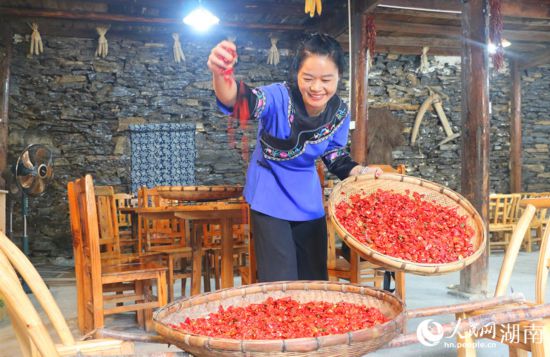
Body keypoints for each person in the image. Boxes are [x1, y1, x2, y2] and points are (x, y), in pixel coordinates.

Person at [207, 33, 380, 282]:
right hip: (269, 195)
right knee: (281, 281)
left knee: (314, 279)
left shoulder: (339, 112)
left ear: (339, 77)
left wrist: (361, 173)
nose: (316, 87)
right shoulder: (279, 97)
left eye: (326, 80)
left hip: (307, 199)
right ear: (296, 73)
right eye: (308, 78)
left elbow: (335, 156)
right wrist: (220, 73)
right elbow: (238, 100)